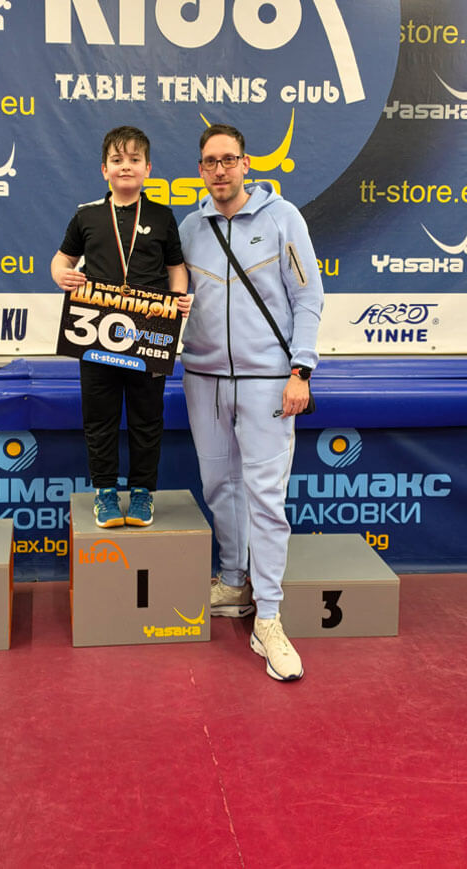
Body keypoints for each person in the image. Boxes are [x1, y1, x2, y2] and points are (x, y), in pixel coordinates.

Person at [179, 124, 323, 681]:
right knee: (219, 486)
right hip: (203, 378)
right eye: (209, 162)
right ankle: (234, 582)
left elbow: (308, 296)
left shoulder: (283, 218)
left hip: (269, 381)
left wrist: (301, 370)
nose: (219, 170)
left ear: (246, 165)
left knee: (265, 498)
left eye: (228, 159)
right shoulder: (190, 228)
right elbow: (163, 296)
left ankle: (269, 618)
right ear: (200, 169)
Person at [51, 126, 190, 528]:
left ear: (148, 168)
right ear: (104, 170)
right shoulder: (87, 216)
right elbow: (61, 260)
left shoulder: (162, 216)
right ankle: (106, 493)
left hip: (149, 333)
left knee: (147, 418)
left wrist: (179, 299)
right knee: (100, 417)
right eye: (117, 160)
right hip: (97, 333)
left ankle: (143, 492)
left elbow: (176, 268)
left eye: (133, 160)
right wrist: (61, 275)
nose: (125, 166)